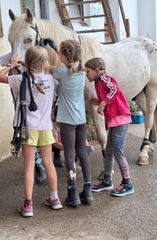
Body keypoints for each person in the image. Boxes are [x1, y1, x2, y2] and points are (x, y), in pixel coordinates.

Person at [0, 46, 62, 217]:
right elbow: (64, 73)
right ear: (45, 62)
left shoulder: (19, 79)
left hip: (27, 129)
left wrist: (11, 65)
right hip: (45, 127)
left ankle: (28, 205)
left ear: (28, 62)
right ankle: (55, 198)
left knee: (29, 165)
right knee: (49, 163)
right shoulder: (51, 80)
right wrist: (47, 66)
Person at [49, 39, 93, 206]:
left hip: (67, 120)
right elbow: (68, 62)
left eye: (59, 52)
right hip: (81, 119)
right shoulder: (82, 72)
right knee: (82, 151)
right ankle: (87, 190)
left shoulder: (61, 72)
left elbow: (48, 67)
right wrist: (56, 49)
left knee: (69, 152)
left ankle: (72, 191)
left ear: (63, 56)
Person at [85, 57, 134, 197]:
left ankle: (127, 183)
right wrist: (98, 101)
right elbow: (110, 95)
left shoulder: (104, 78)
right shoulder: (98, 82)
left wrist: (103, 103)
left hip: (120, 118)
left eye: (88, 71)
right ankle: (107, 179)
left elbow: (115, 89)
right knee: (109, 150)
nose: (86, 74)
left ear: (96, 70)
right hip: (114, 120)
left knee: (118, 150)